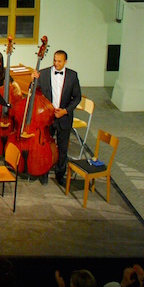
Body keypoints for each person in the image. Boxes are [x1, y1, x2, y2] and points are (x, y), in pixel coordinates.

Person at [32, 49, 81, 185]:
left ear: (65, 62)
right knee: (46, 146)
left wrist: (65, 111)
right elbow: (34, 90)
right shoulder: (44, 73)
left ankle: (60, 174)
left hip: (64, 117)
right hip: (47, 116)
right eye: (54, 60)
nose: (56, 63)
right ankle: (44, 172)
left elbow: (77, 97)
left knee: (62, 147)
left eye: (59, 61)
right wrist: (33, 80)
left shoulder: (72, 76)